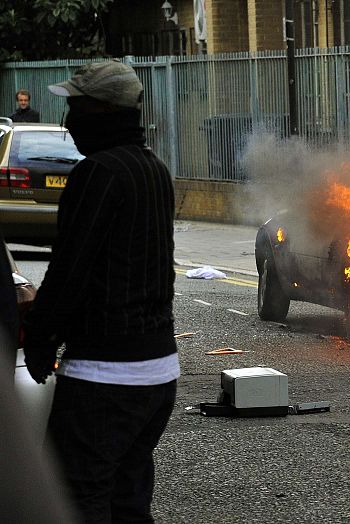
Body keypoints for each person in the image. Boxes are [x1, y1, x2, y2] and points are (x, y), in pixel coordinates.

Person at [22, 60, 179, 523]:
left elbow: (70, 271)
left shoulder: (97, 173)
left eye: (75, 107)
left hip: (105, 376)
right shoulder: (154, 169)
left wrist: (40, 338)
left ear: (101, 111)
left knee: (77, 497)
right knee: (128, 500)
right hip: (158, 372)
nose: (69, 121)